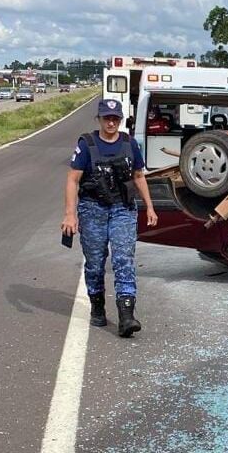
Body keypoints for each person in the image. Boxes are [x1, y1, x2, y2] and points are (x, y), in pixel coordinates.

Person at [60, 99, 158, 338]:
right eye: (107, 118)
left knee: (124, 258)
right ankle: (97, 306)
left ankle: (126, 317)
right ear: (100, 119)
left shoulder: (129, 143)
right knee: (95, 263)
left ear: (121, 120)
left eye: (115, 118)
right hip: (92, 209)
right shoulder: (87, 145)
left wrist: (150, 207)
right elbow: (73, 180)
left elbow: (138, 175)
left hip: (122, 209)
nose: (111, 122)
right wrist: (70, 215)